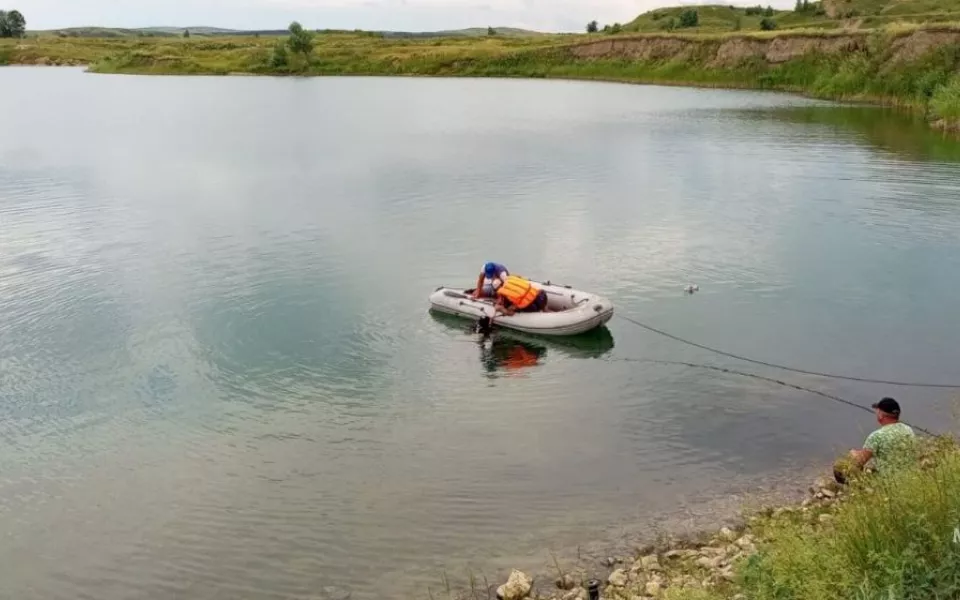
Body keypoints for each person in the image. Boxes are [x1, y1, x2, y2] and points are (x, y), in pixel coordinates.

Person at [843, 397, 917, 480]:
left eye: (877, 411)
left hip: (889, 483)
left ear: (881, 415)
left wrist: (853, 453)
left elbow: (859, 462)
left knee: (841, 469)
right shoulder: (908, 430)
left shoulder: (877, 436)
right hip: (911, 479)